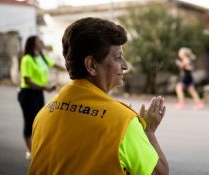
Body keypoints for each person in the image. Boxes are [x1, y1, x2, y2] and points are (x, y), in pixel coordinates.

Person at [27, 17, 169, 175]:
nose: (125, 65)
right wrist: (148, 131)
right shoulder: (123, 123)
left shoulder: (44, 113)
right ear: (91, 65)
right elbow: (159, 173)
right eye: (118, 57)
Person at [17, 35, 57, 158]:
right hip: (28, 93)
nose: (42, 42)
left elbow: (54, 65)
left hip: (38, 93)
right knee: (30, 122)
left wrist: (70, 67)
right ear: (33, 44)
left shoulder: (41, 57)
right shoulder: (27, 59)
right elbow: (27, 80)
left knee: (40, 121)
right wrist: (45, 88)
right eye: (39, 41)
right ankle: (32, 153)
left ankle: (37, 149)